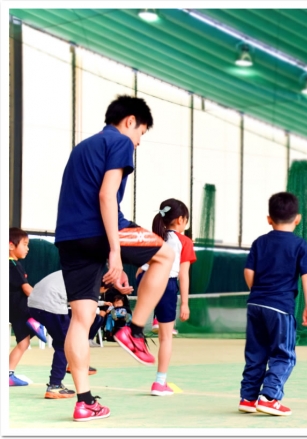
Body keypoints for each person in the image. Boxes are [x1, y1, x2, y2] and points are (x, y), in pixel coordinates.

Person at [54, 95, 174, 421]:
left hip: (69, 238)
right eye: (142, 133)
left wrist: (111, 260)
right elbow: (107, 195)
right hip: (102, 230)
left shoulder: (81, 147)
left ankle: (84, 401)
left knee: (81, 319)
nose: (139, 141)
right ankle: (133, 330)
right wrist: (116, 254)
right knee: (166, 253)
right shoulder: (119, 142)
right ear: (130, 121)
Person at [238, 192, 307, 416]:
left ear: (269, 218)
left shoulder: (259, 242)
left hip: (256, 305)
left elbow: (248, 271)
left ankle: (248, 397)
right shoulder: (301, 245)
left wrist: (258, 292)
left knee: (256, 353)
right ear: (297, 219)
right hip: (281, 307)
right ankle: (270, 396)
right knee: (284, 354)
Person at [136, 198, 196, 396]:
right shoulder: (183, 241)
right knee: (166, 337)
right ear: (180, 220)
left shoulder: (154, 238)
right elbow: (183, 274)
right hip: (166, 284)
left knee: (154, 297)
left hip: (145, 278)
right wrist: (185, 303)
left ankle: (153, 317)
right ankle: (160, 383)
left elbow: (141, 267)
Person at [27, 270, 102, 399]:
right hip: (51, 305)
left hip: (33, 305)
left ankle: (73, 362)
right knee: (64, 343)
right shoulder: (90, 279)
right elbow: (85, 305)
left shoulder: (75, 269)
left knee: (67, 334)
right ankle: (55, 386)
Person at [8, 227, 47, 387]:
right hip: (19, 308)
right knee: (44, 310)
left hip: (15, 311)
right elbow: (26, 288)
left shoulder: (14, 264)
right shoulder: (11, 263)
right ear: (11, 245)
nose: (28, 248)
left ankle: (8, 374)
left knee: (23, 343)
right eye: (25, 244)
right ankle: (35, 322)